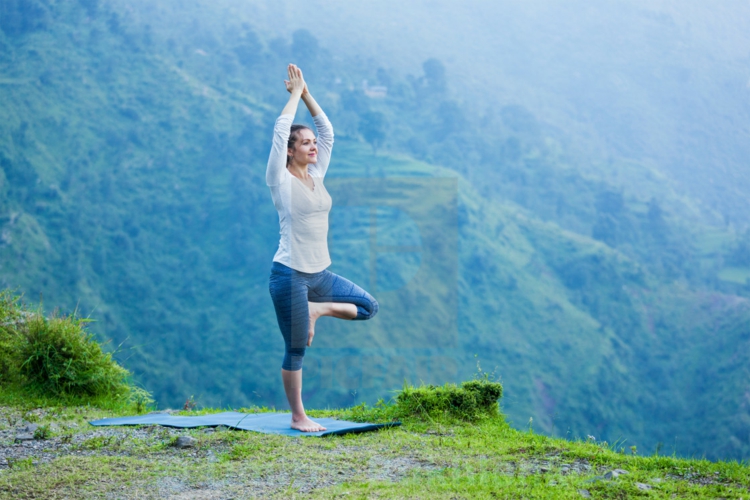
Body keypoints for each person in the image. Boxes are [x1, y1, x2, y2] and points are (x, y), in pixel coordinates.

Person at [267, 64, 379, 432]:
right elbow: (280, 130)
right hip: (289, 276)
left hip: (320, 275)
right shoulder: (279, 180)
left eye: (312, 143)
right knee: (296, 349)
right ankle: (298, 416)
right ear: (289, 152)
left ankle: (319, 310)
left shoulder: (317, 174)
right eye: (305, 143)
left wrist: (308, 93)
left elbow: (328, 132)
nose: (313, 146)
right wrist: (294, 97)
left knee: (367, 307)